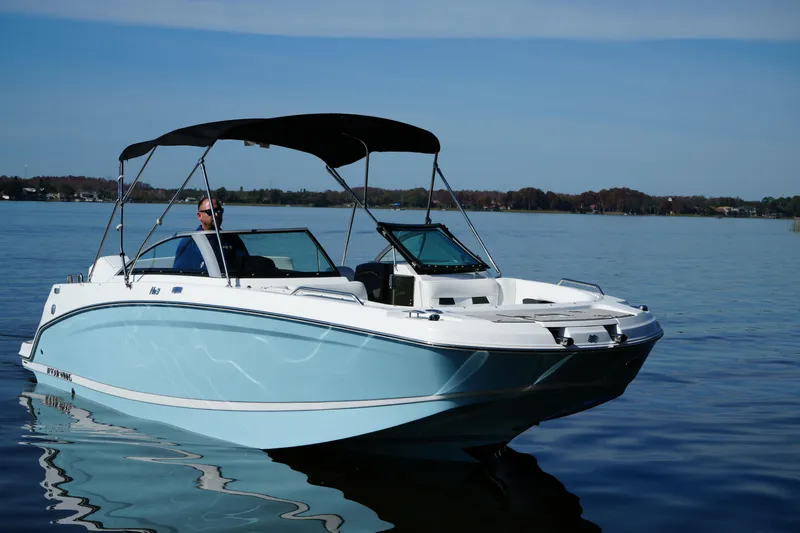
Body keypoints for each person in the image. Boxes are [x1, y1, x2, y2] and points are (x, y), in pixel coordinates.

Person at [173, 197, 248, 273]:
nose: (216, 214)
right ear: (199, 216)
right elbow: (179, 274)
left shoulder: (232, 239)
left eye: (219, 211)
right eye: (211, 211)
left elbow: (246, 266)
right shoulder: (189, 242)